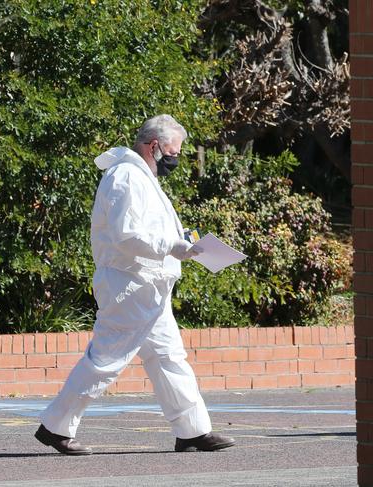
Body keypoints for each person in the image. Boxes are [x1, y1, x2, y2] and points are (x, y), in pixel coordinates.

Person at [34, 114, 235, 455]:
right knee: (107, 359)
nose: (177, 159)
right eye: (173, 151)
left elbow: (148, 231)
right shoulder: (125, 177)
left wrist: (182, 241)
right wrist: (173, 246)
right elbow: (126, 235)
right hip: (130, 284)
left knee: (169, 357)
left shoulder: (142, 178)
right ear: (154, 146)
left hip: (149, 287)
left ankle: (193, 430)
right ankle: (55, 426)